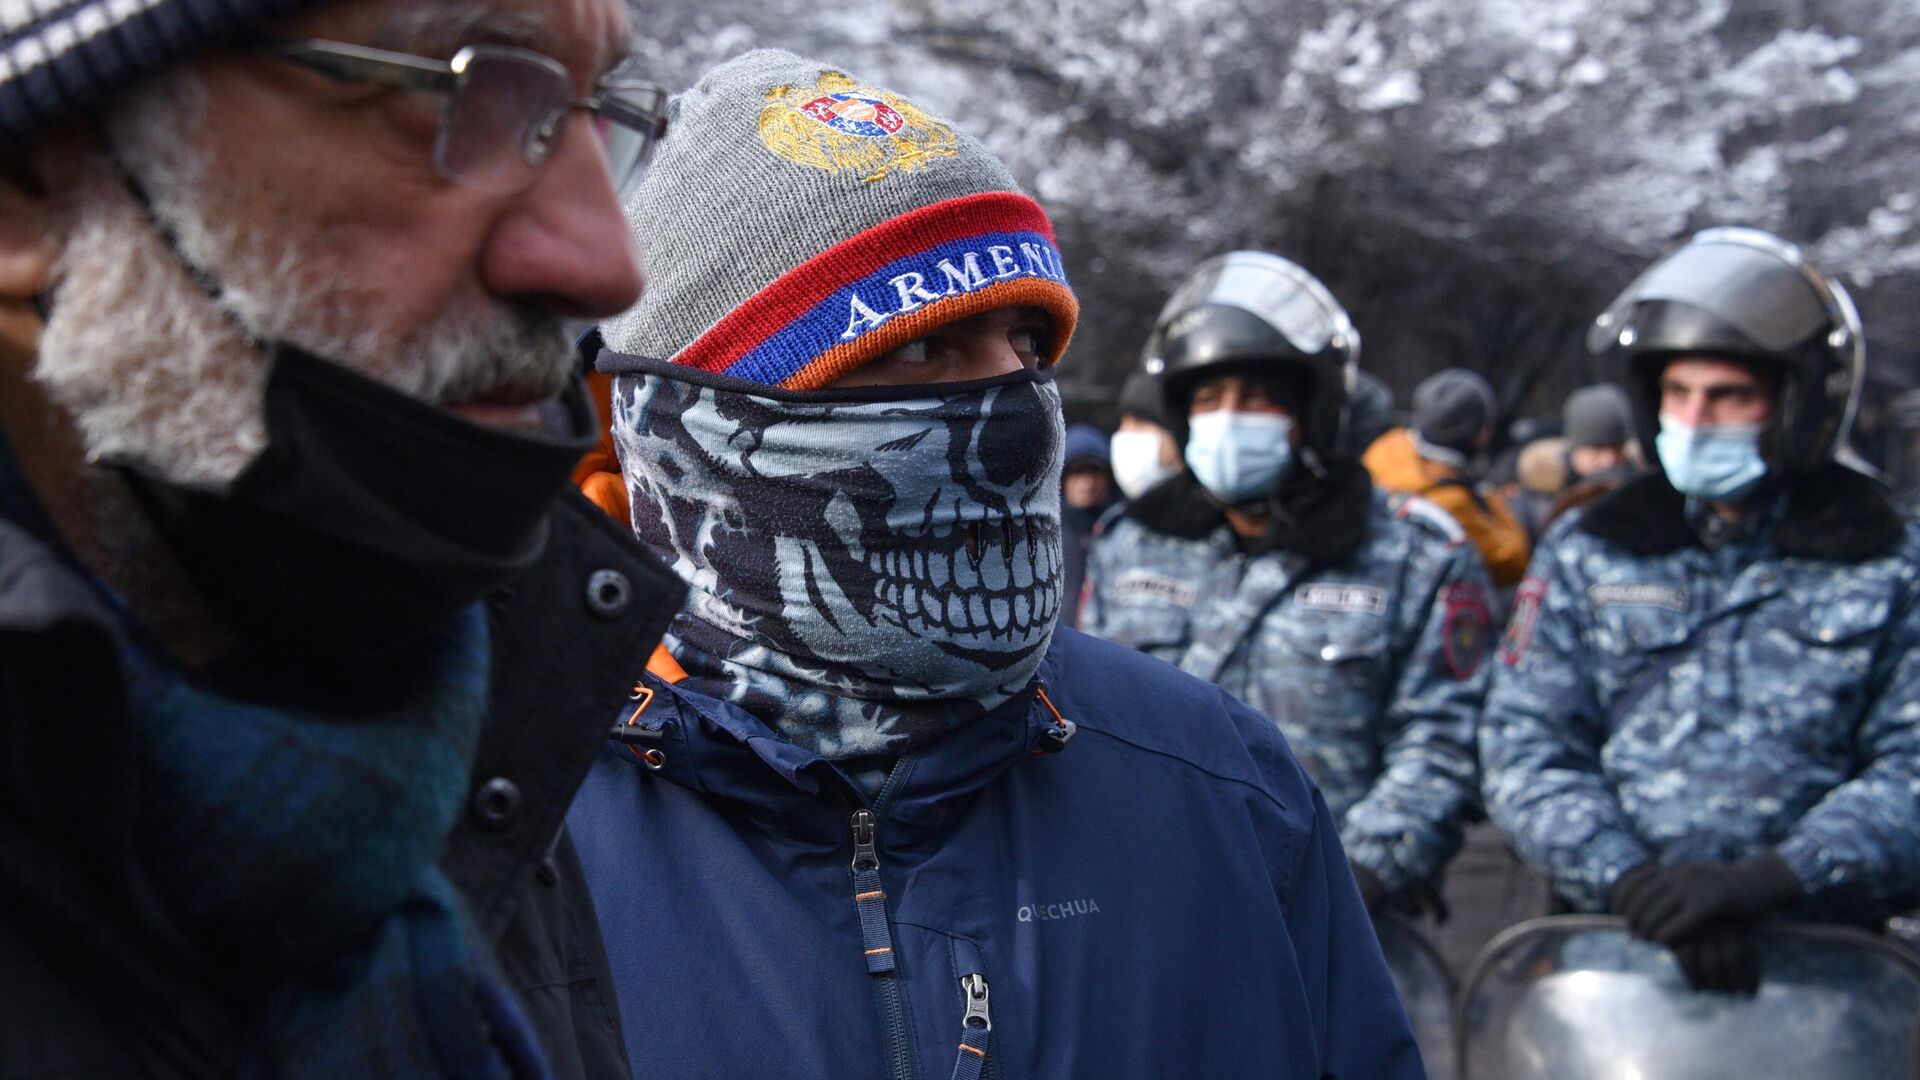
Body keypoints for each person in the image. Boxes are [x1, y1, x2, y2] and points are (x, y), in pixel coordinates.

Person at [566, 51, 1421, 1079]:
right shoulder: (498, 831)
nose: (1016, 418)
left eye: (1027, 346)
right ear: (694, 427)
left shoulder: (1226, 785)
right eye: (921, 350)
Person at [0, 2, 686, 1075]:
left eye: (586, 121)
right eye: (469, 91)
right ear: (33, 182)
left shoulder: (470, 731)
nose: (608, 265)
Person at [1480, 227, 1920, 994]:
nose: (1695, 418)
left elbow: (1912, 764)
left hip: (1831, 969)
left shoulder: (1888, 557)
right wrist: (1626, 877)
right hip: (1610, 958)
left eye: (1729, 396)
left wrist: (1773, 879)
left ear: (1796, 403)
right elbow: (1525, 739)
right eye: (1677, 394)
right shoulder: (1592, 548)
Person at [1081, 250, 1489, 924]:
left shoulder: (1415, 554)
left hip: (1345, 922)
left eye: (1257, 398)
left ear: (1312, 412)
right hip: (1153, 913)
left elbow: (1442, 741)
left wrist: (1351, 875)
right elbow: (1087, 723)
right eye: (1209, 400)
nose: (1229, 418)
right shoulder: (1132, 542)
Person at [1364, 367, 1531, 586]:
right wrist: (1487, 494)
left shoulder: (1383, 450)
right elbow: (1512, 560)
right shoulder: (1454, 502)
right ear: (1480, 436)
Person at [1059, 423, 1116, 627]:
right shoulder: (1043, 538)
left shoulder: (1123, 535)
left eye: (1095, 472)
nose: (1088, 483)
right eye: (1078, 472)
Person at [1107, 369, 1183, 501]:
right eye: (1122, 423)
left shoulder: (1209, 516)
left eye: (1139, 423)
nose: (1125, 433)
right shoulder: (1116, 518)